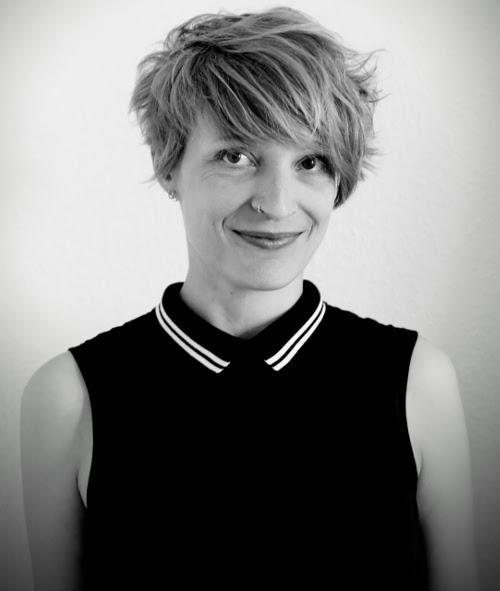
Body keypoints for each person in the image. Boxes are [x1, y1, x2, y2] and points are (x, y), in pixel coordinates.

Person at [20, 6, 479, 591]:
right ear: (168, 164)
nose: (278, 203)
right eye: (236, 156)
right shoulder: (69, 397)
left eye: (310, 161)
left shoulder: (417, 381)